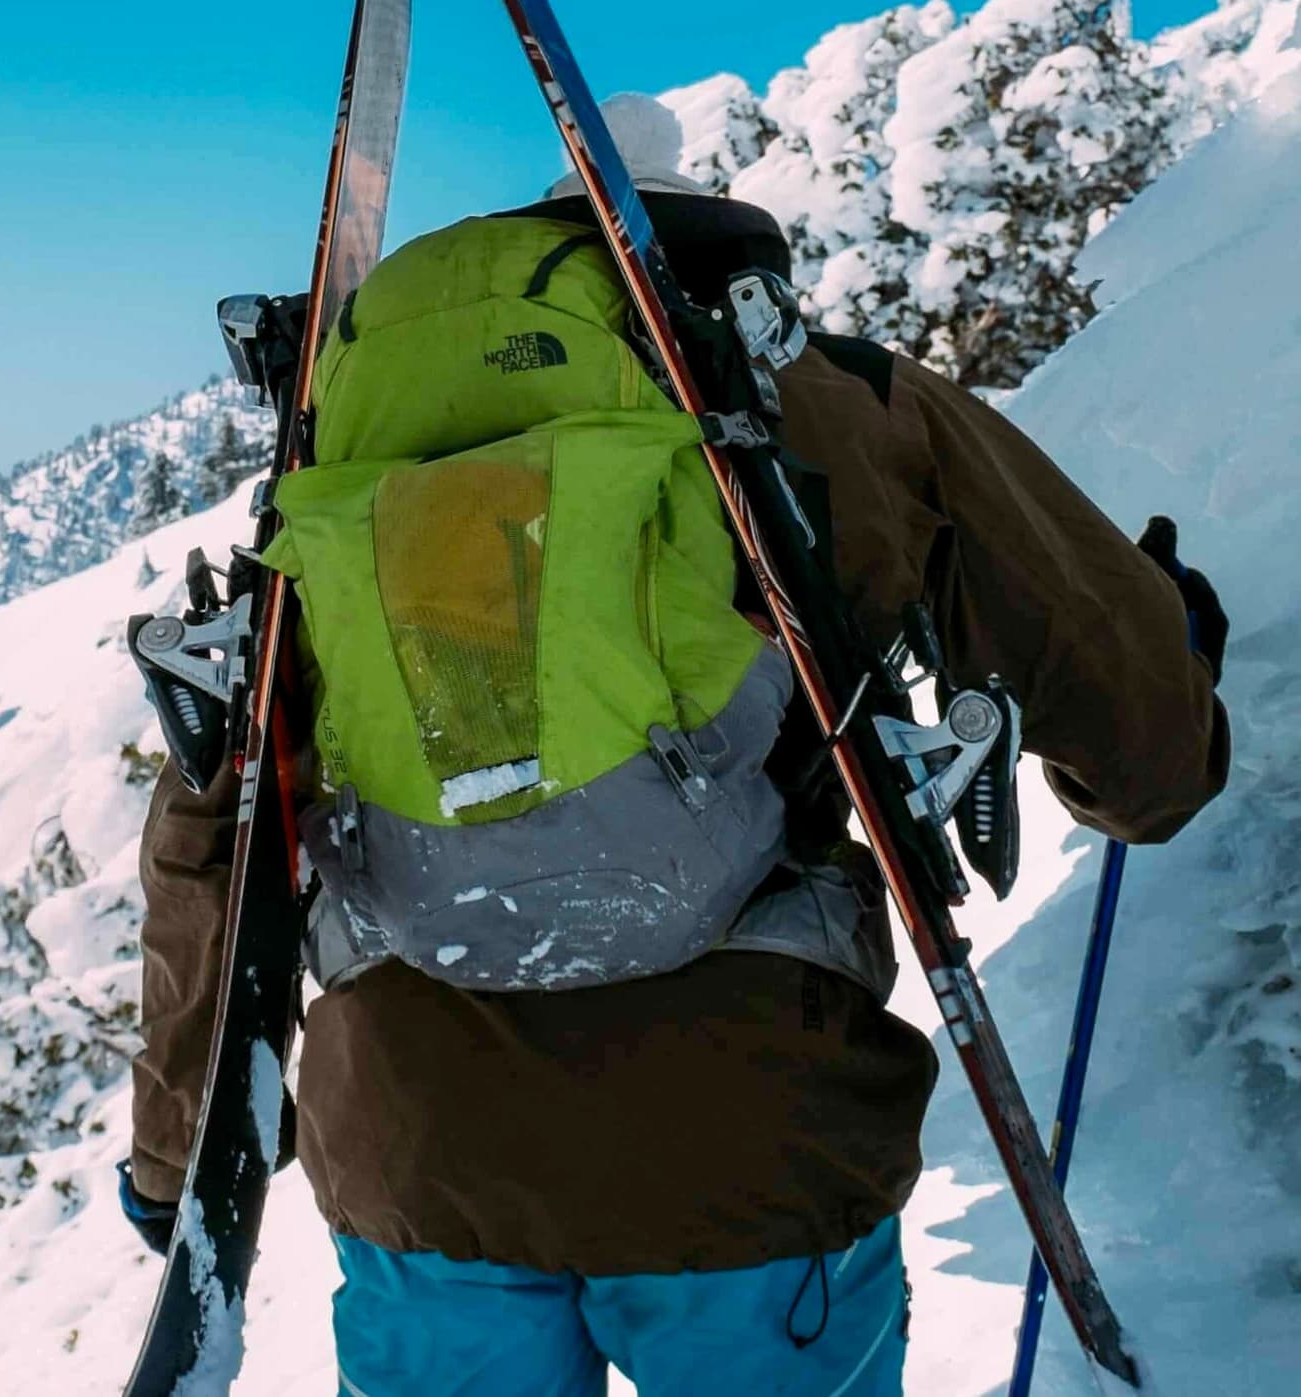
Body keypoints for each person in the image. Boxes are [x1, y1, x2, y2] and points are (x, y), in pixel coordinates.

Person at [123, 94, 1230, 1397]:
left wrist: (175, 1158)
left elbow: (219, 812)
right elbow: (1145, 754)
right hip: (755, 1142)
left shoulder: (355, 462)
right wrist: (1173, 662)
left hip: (421, 1158)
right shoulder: (824, 406)